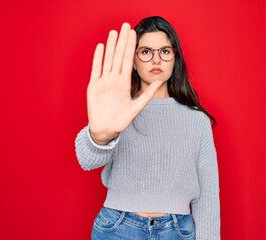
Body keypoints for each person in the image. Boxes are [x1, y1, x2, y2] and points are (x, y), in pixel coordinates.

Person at [75, 16, 220, 240]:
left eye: (164, 51)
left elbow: (208, 197)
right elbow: (86, 160)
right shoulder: (120, 111)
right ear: (133, 61)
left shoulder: (197, 120)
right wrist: (99, 137)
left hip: (177, 231)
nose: (156, 60)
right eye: (145, 52)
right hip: (117, 229)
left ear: (175, 58)